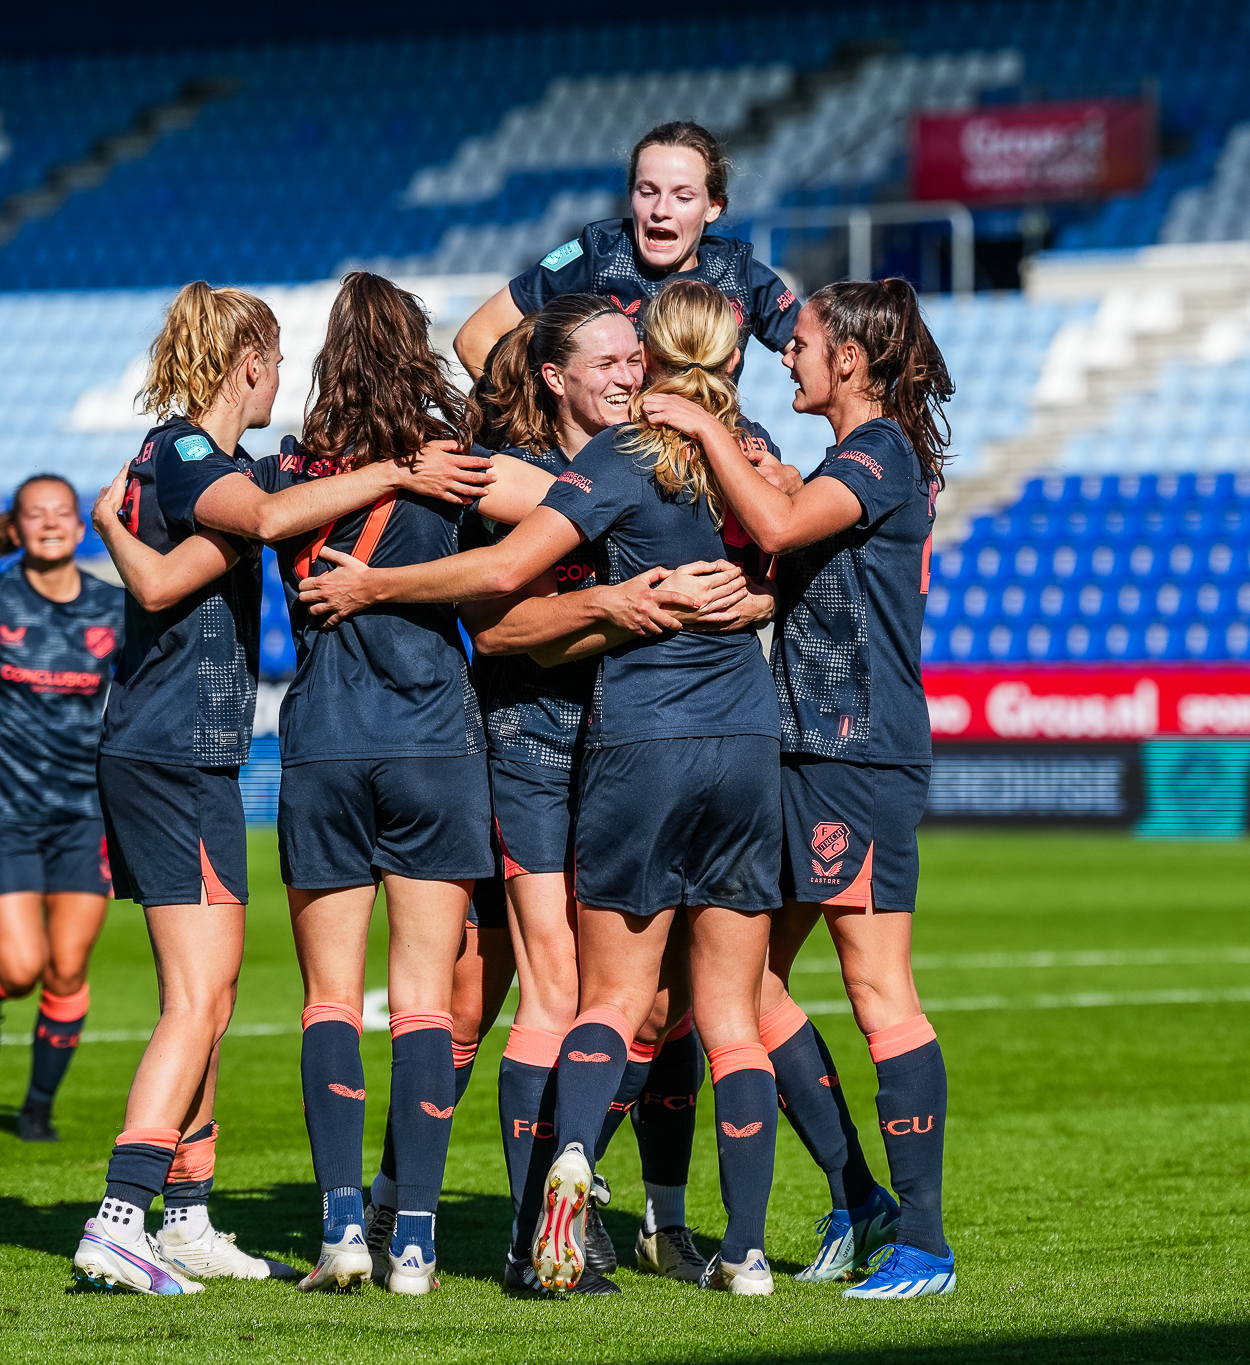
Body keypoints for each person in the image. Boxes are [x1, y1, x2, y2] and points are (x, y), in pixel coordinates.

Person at [298, 279, 789, 1296]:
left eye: (634, 357)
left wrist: (735, 593)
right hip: (529, 742)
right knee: (539, 989)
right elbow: (500, 623)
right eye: (607, 361)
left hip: (626, 742)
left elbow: (774, 554)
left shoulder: (679, 459)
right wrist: (618, 602)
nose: (626, 374)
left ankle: (650, 1216)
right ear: (555, 379)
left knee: (659, 1007)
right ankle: (523, 1235)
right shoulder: (511, 475)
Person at [68, 280, 496, 1296]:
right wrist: (402, 467)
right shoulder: (201, 460)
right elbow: (261, 523)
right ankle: (126, 1213)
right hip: (197, 749)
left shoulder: (247, 466)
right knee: (214, 995)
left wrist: (111, 528)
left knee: (247, 997)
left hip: (254, 748)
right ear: (248, 361)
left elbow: (173, 577)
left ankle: (203, 1214)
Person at [237, 272, 568, 1296]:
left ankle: (341, 1228)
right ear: (416, 347)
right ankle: (415, 1241)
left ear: (327, 357)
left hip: (325, 742)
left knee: (328, 997)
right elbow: (546, 523)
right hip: (434, 741)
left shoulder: (291, 471)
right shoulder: (452, 462)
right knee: (426, 1001)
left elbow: (257, 522)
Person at [643, 276, 958, 1300]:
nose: (788, 354)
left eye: (805, 341)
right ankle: (858, 1198)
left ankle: (922, 1245)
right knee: (736, 985)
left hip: (854, 753)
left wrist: (703, 424)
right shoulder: (848, 458)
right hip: (802, 747)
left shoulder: (878, 452)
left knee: (879, 993)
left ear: (850, 361)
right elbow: (792, 555)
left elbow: (779, 538)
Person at [0, 475, 124, 1144]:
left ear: (79, 526)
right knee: (19, 967)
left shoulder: (114, 605)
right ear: (15, 530)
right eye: (34, 514)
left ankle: (37, 1104)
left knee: (66, 966)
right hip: (5, 808)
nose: (48, 523)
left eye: (61, 513)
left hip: (87, 812)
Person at [453, 120, 800, 381]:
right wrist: (534, 427)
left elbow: (820, 358)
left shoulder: (742, 275)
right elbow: (475, 338)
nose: (661, 209)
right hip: (602, 468)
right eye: (647, 191)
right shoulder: (594, 256)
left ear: (713, 207)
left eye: (683, 197)